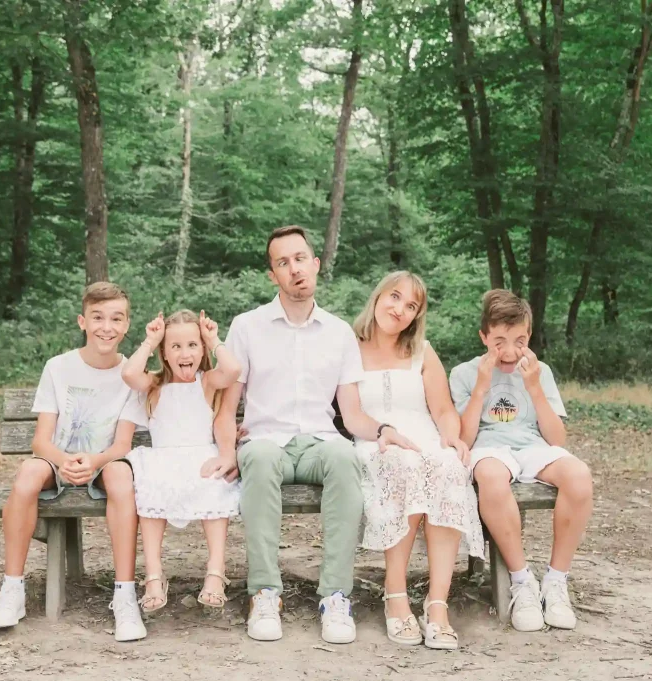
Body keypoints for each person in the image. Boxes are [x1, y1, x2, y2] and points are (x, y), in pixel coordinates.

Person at [218, 225, 417, 645]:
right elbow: (225, 405)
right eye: (283, 262)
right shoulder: (247, 327)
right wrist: (225, 449)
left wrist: (383, 430)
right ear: (273, 274)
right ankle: (265, 593)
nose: (294, 269)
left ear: (316, 263)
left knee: (345, 458)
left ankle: (335, 596)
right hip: (264, 441)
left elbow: (352, 413)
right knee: (259, 457)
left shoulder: (338, 332)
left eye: (300, 258)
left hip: (317, 444)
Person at [0, 282, 148, 642]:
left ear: (126, 325)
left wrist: (94, 461)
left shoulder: (131, 375)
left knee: (122, 479)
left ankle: (125, 596)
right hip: (56, 461)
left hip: (105, 463)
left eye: (116, 319)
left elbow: (122, 445)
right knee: (28, 472)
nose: (107, 327)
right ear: (82, 321)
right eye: (98, 318)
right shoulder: (58, 368)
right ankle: (12, 589)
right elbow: (40, 440)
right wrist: (63, 460)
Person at [353, 271, 484, 650]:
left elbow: (443, 408)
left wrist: (449, 435)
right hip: (373, 438)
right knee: (405, 466)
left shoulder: (422, 351)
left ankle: (437, 604)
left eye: (411, 306)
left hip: (423, 434)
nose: (400, 309)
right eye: (395, 297)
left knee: (447, 466)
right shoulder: (349, 346)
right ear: (378, 297)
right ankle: (395, 594)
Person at [450, 289, 594, 632]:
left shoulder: (539, 370)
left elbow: (557, 440)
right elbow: (464, 440)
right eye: (499, 341)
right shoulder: (464, 374)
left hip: (532, 447)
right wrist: (483, 387)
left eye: (520, 340)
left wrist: (534, 388)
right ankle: (521, 581)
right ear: (483, 336)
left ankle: (556, 582)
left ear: (529, 336)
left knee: (579, 475)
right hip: (489, 448)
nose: (510, 351)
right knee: (490, 474)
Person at [120, 309, 242, 617]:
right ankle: (154, 575)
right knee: (150, 489)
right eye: (175, 346)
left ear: (201, 351)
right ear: (164, 352)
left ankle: (215, 571)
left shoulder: (208, 382)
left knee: (215, 485)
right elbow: (129, 374)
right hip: (163, 459)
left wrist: (214, 340)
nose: (185, 352)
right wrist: (150, 341)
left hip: (203, 456)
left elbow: (233, 369)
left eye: (192, 345)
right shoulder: (154, 385)